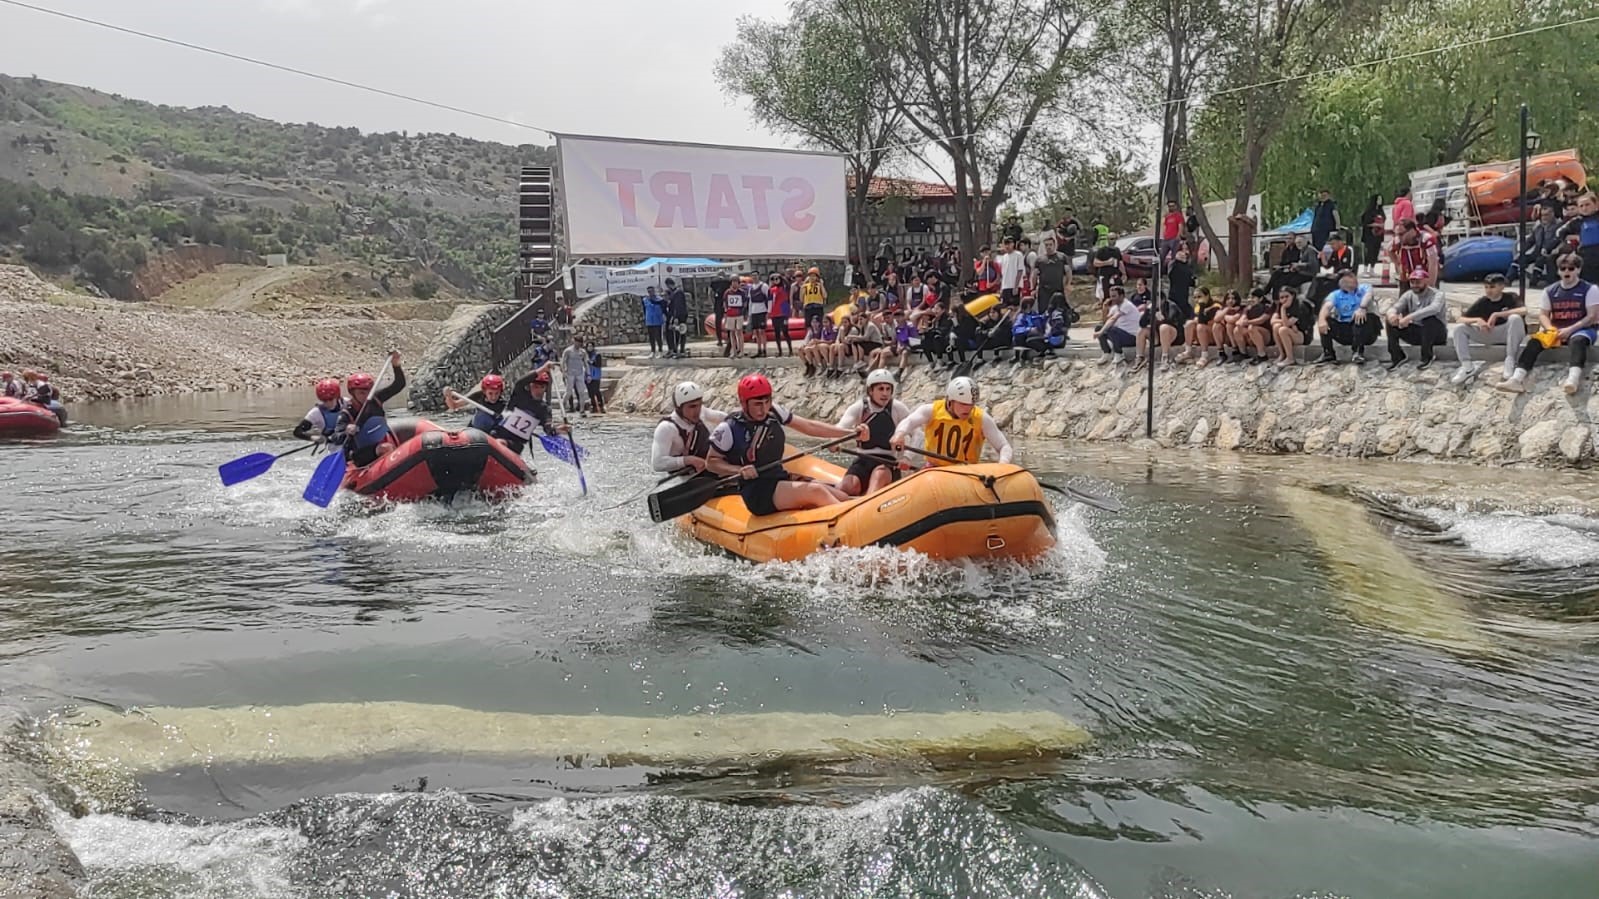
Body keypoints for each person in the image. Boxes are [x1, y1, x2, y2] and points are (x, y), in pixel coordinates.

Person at [707, 373, 858, 515]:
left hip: (779, 477)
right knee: (815, 491)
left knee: (842, 496)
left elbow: (809, 426)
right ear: (744, 403)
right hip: (757, 490)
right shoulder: (729, 428)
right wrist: (738, 470)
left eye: (767, 402)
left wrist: (849, 433)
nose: (763, 409)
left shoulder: (775, 412)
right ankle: (850, 525)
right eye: (757, 404)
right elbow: (711, 462)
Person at [1496, 253, 1599, 395]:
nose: (1567, 272)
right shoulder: (1550, 291)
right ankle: (1516, 379)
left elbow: (1592, 316)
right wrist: (1551, 329)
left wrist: (1570, 330)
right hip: (1556, 329)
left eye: (1571, 268)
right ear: (1558, 271)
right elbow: (1543, 314)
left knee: (1578, 341)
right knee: (1534, 341)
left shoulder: (1590, 289)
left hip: (1582, 328)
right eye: (1563, 269)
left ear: (1578, 270)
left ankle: (1573, 379)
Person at [891, 376, 1014, 466]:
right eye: (963, 404)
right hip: (934, 470)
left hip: (967, 472)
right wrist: (900, 434)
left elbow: (1003, 446)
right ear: (950, 401)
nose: (968, 409)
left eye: (971, 404)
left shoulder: (981, 418)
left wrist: (1003, 463)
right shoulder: (931, 411)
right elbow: (910, 421)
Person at [835, 369, 912, 496]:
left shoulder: (898, 408)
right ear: (870, 390)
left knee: (879, 474)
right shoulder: (859, 407)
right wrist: (834, 442)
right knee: (849, 486)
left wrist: (906, 457)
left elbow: (917, 434)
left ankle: (867, 504)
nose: (885, 393)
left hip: (888, 462)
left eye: (888, 389)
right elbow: (840, 427)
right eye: (880, 389)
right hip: (863, 460)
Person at [1450, 274, 1527, 385]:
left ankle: (1510, 359)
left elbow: (1524, 310)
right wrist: (1477, 320)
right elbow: (1460, 319)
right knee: (1459, 329)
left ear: (1501, 287)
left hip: (1508, 333)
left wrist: (1497, 314)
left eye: (1492, 287)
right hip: (1489, 332)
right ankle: (1467, 366)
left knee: (1515, 318)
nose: (1488, 290)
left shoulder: (1511, 297)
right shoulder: (1483, 301)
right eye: (1486, 287)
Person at [343, 352, 406, 467]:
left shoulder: (375, 399)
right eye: (361, 392)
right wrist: (346, 429)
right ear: (353, 393)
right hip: (359, 453)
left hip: (381, 442)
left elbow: (399, 384)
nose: (366, 395)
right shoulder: (347, 412)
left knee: (387, 446)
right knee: (385, 448)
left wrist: (396, 365)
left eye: (368, 391)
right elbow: (336, 437)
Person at [651, 381, 727, 475]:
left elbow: (726, 418)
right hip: (683, 478)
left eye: (699, 405)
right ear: (679, 407)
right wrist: (689, 460)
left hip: (707, 471)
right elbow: (658, 463)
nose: (697, 411)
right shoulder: (666, 428)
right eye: (692, 406)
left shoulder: (702, 413)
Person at [1383, 270, 1448, 371]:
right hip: (1418, 333)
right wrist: (1392, 315)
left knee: (1429, 319)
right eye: (1412, 282)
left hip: (1436, 334)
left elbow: (1434, 309)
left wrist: (1409, 317)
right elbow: (1396, 307)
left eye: (1418, 282)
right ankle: (1397, 356)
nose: (1414, 285)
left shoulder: (1437, 294)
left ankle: (1427, 357)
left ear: (1425, 281)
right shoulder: (1408, 294)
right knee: (1390, 321)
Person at [1315, 270, 1377, 365]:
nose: (1354, 280)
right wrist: (1322, 320)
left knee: (1360, 317)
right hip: (1346, 328)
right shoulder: (1336, 295)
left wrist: (1362, 307)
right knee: (1325, 320)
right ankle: (1328, 353)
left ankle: (1357, 352)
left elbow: (1368, 296)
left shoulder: (1364, 288)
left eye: (1353, 277)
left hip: (1365, 329)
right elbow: (1327, 306)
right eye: (1349, 279)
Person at [293, 378, 348, 445]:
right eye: (324, 400)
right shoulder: (315, 413)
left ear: (337, 396)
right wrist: (313, 437)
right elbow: (298, 432)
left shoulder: (347, 403)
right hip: (333, 446)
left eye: (330, 399)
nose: (328, 403)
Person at [1389, 218, 1439, 291]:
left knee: (1427, 300)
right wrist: (1398, 265)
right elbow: (1389, 250)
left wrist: (1431, 284)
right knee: (1404, 301)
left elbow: (1433, 262)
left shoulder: (1426, 239)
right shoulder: (1398, 241)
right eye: (1396, 234)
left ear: (1412, 231)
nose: (1399, 237)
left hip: (1424, 277)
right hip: (1407, 277)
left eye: (1401, 234)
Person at [1270, 286, 1315, 367]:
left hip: (1303, 334)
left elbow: (1286, 324)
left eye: (1287, 296)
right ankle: (1282, 354)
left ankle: (1290, 358)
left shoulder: (1300, 306)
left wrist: (1283, 309)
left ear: (1293, 296)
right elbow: (1272, 321)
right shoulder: (1280, 306)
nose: (1284, 300)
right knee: (1276, 326)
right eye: (1282, 297)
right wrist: (1286, 322)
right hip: (1292, 331)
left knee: (1283, 330)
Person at [1095, 285, 1140, 364]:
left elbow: (1113, 319)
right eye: (1111, 296)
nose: (1112, 298)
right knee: (1099, 327)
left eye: (1114, 296)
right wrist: (1105, 308)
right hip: (1121, 335)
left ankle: (1119, 354)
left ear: (1121, 296)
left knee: (1112, 330)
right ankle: (1106, 353)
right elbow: (1106, 321)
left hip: (1132, 337)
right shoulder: (1115, 307)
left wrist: (1101, 332)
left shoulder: (1126, 305)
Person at [1312, 233, 1358, 304]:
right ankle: (1314, 300)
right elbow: (1327, 266)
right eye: (1330, 245)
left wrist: (1340, 273)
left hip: (1347, 276)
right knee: (1318, 280)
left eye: (1333, 244)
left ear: (1340, 242)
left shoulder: (1349, 250)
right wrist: (1323, 257)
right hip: (1335, 276)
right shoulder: (1335, 252)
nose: (1332, 246)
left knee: (1327, 286)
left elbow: (1352, 266)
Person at [1178, 286, 1219, 365]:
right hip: (1200, 336)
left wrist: (1202, 306)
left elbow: (1202, 321)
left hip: (1213, 335)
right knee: (1189, 324)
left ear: (1207, 296)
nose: (1197, 300)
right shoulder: (1197, 307)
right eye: (1195, 297)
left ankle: (1204, 355)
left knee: (1200, 326)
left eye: (1199, 297)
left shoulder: (1215, 306)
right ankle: (1188, 350)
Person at [560, 336, 588, 416]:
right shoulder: (568, 351)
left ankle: (582, 410)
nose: (578, 344)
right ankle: (563, 406)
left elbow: (586, 362)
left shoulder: (582, 352)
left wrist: (588, 373)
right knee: (568, 392)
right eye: (577, 342)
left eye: (580, 342)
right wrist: (563, 372)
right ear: (574, 341)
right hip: (570, 373)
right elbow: (563, 362)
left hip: (580, 373)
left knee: (581, 392)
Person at [768, 272, 793, 357]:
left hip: (782, 313)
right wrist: (769, 312)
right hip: (774, 314)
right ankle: (780, 351)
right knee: (777, 333)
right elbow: (770, 302)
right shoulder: (771, 290)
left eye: (776, 279)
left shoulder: (785, 288)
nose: (775, 281)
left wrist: (787, 315)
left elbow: (786, 302)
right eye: (773, 279)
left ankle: (790, 350)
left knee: (785, 332)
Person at [1359, 194, 1386, 276]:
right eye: (1378, 199)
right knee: (1369, 252)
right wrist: (1375, 225)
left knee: (1375, 252)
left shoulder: (1381, 211)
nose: (1379, 201)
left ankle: (1372, 269)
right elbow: (1365, 223)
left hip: (1378, 235)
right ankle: (1365, 269)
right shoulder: (1369, 211)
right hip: (1369, 235)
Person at [663, 278, 689, 358]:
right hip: (676, 316)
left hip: (680, 316)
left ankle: (681, 351)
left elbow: (678, 307)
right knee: (676, 334)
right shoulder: (673, 293)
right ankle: (675, 350)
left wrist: (676, 318)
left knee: (680, 334)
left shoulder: (678, 293)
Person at [997, 237, 1026, 307]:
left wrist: (1016, 286)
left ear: (1013, 244)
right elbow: (1003, 274)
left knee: (1014, 307)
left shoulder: (1018, 255)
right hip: (1005, 286)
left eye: (1009, 244)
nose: (1007, 246)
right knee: (1005, 306)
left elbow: (1020, 270)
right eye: (1005, 244)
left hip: (1014, 286)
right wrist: (1001, 288)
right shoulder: (1004, 257)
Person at [747, 274, 771, 358]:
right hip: (754, 311)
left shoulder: (764, 286)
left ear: (758, 276)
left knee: (762, 331)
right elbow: (750, 301)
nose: (754, 277)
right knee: (756, 332)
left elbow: (769, 298)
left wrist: (769, 311)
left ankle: (764, 350)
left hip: (762, 310)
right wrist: (749, 313)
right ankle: (759, 350)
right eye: (753, 276)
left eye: (756, 276)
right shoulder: (751, 288)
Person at [723, 279, 748, 358]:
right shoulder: (727, 292)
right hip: (730, 315)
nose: (734, 284)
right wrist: (726, 312)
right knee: (732, 333)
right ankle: (734, 351)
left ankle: (741, 351)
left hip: (739, 314)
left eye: (736, 282)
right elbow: (724, 302)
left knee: (739, 333)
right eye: (733, 282)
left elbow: (745, 303)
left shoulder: (742, 292)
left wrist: (743, 312)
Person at [641, 285, 667, 357]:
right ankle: (653, 351)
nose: (650, 293)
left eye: (651, 291)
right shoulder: (645, 300)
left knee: (658, 336)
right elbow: (644, 310)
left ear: (654, 291)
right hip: (649, 321)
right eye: (649, 291)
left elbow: (664, 309)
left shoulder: (659, 300)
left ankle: (660, 351)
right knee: (651, 337)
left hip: (657, 320)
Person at [585, 345, 606, 414]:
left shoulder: (597, 355)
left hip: (596, 376)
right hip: (587, 376)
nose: (589, 348)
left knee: (596, 391)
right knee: (590, 392)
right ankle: (593, 406)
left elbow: (598, 364)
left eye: (591, 346)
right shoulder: (585, 355)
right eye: (588, 346)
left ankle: (601, 405)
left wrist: (591, 362)